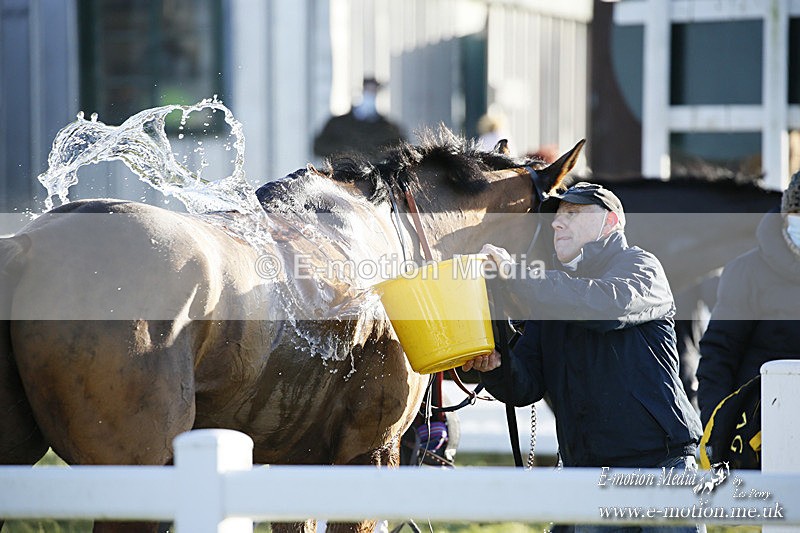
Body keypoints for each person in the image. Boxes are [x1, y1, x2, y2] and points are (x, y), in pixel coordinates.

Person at [464, 182, 704, 533]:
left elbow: (607, 306)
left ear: (611, 222)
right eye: (556, 218)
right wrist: (497, 367)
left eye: (573, 214)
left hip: (661, 467)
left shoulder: (642, 266)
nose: (558, 224)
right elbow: (526, 384)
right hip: (589, 477)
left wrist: (518, 276)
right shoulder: (551, 292)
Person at [697, 171, 800, 429]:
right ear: (786, 217)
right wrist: (718, 428)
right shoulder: (747, 271)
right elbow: (719, 354)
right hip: (758, 428)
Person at [313, 77, 406, 161]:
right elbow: (319, 147)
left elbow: (403, 152)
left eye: (373, 92)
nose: (370, 96)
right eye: (367, 91)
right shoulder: (338, 123)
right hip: (341, 174)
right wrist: (345, 151)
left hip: (373, 177)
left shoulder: (388, 128)